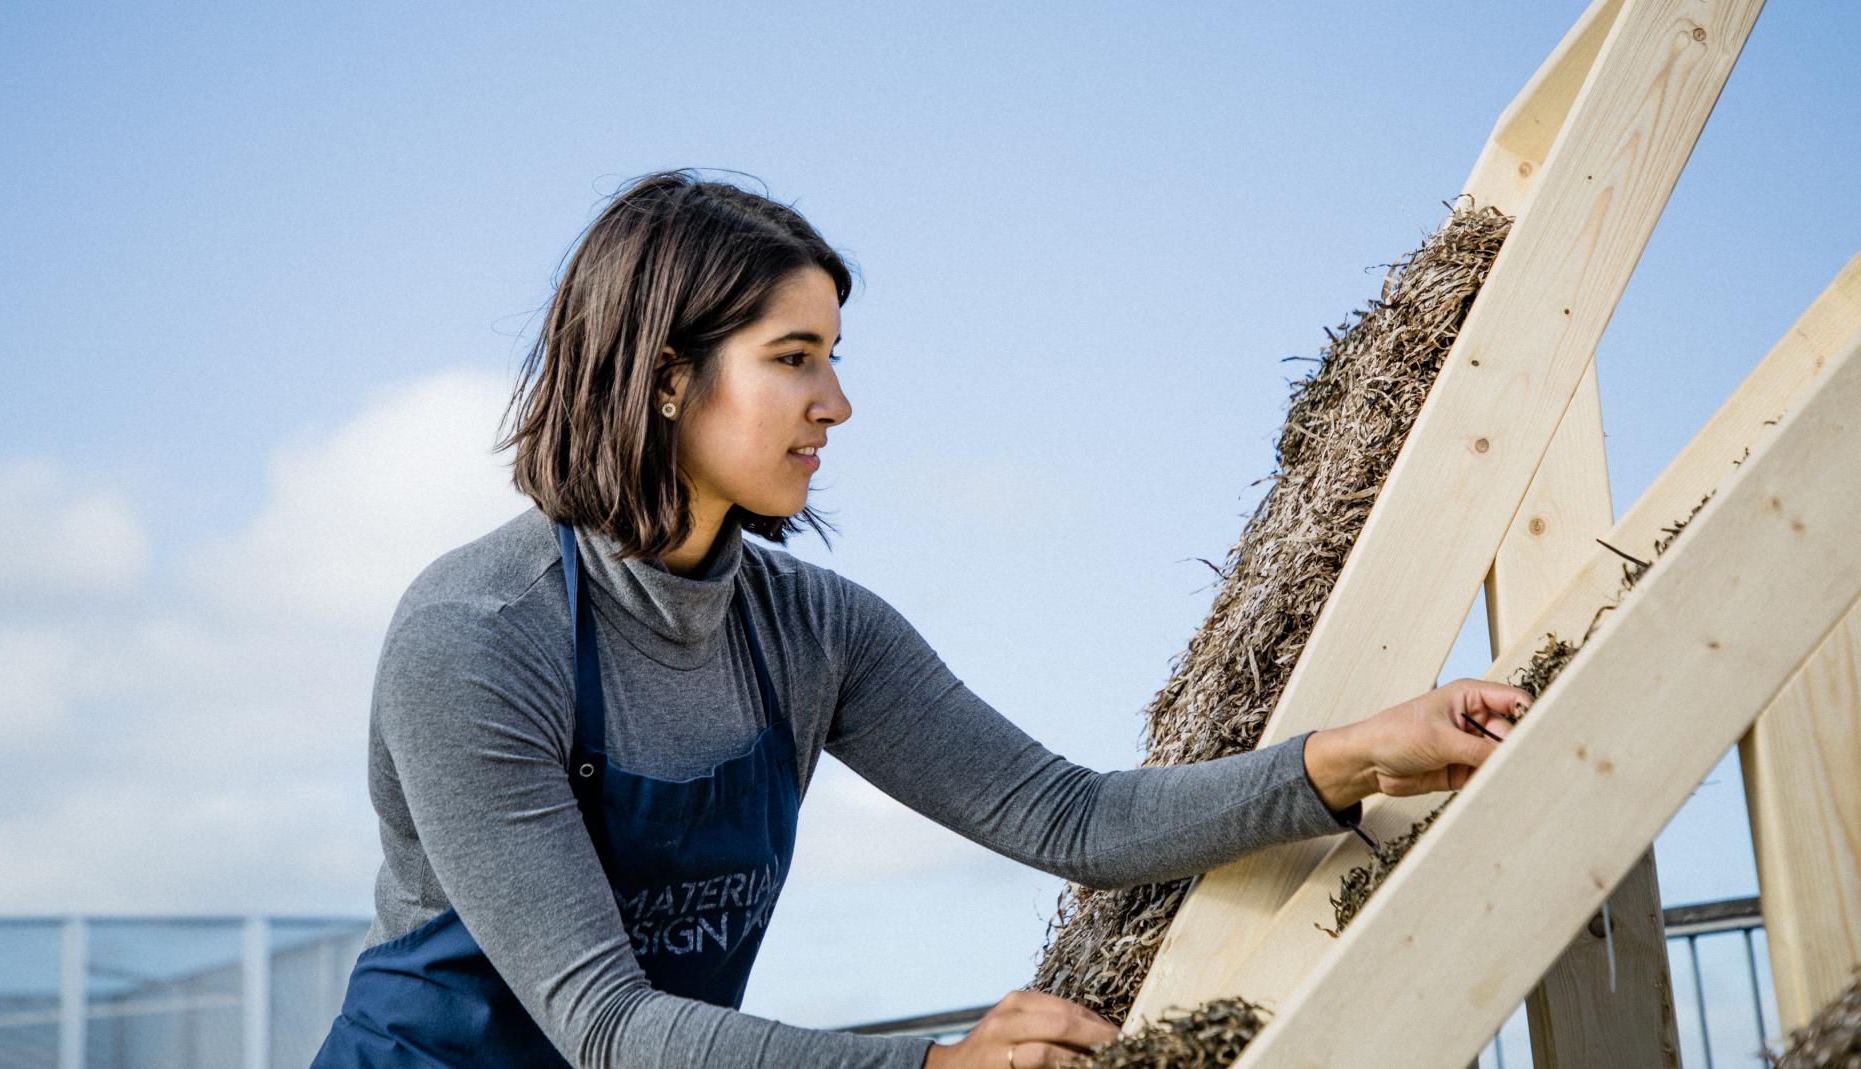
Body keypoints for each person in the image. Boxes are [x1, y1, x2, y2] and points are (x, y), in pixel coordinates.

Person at [308, 169, 1530, 1069]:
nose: (837, 402)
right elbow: (609, 1026)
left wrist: (1360, 756)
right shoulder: (476, 637)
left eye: (833, 355)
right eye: (795, 357)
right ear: (668, 376)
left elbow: (1075, 817)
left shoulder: (814, 631)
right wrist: (938, 1066)